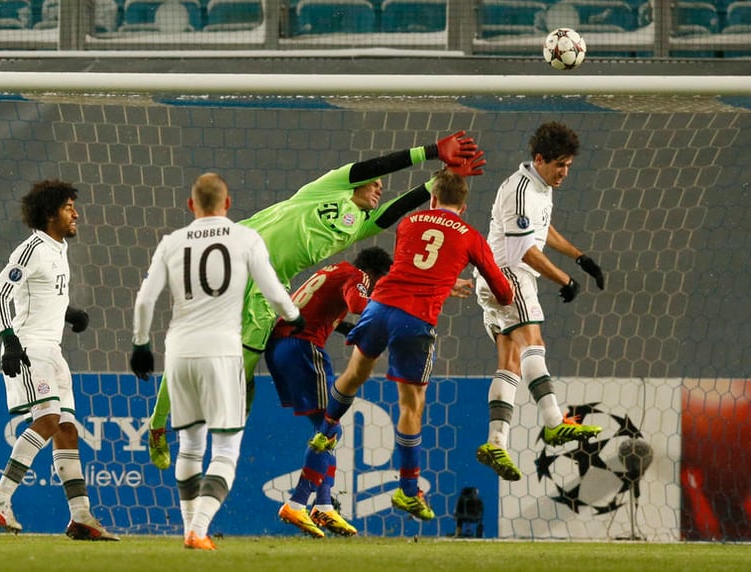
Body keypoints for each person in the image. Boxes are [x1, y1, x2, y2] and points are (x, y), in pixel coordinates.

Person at [145, 131, 487, 470]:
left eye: (381, 185)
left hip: (268, 289)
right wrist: (431, 151)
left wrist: (437, 185)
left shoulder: (358, 225)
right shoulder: (330, 188)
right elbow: (376, 164)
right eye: (374, 183)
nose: (379, 186)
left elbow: (393, 209)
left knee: (237, 375)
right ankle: (158, 426)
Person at [286, 168, 514, 523]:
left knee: (354, 373)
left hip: (380, 307)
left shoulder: (409, 222)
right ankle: (409, 490)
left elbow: (412, 265)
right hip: (416, 319)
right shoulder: (470, 235)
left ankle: (325, 431)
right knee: (411, 405)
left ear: (433, 198)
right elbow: (502, 292)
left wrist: (442, 279)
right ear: (464, 206)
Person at [128, 173, 304, 551]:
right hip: (223, 352)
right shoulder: (245, 238)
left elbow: (145, 300)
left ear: (191, 206)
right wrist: (293, 316)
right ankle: (200, 528)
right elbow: (273, 289)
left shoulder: (172, 243)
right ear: (228, 204)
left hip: (180, 351)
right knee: (225, 449)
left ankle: (189, 528)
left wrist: (141, 345)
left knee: (190, 447)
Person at [0, 179, 119, 541]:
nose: (76, 213)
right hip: (29, 349)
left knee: (67, 430)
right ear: (49, 214)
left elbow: (41, 296)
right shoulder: (31, 250)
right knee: (47, 419)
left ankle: (80, 517)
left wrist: (69, 312)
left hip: (53, 350)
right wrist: (9, 340)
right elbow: (0, 296)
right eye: (68, 207)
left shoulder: (59, 249)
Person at [474, 121, 606, 482]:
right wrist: (565, 279)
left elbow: (541, 228)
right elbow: (523, 249)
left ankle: (496, 442)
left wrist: (579, 257)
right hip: (509, 273)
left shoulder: (540, 186)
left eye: (568, 166)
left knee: (511, 361)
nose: (564, 173)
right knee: (535, 343)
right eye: (559, 165)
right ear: (539, 159)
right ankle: (553, 422)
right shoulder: (519, 189)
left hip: (497, 276)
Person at [268, 246, 393, 538]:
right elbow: (358, 304)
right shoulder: (358, 276)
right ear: (374, 275)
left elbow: (321, 309)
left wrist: (345, 328)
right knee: (330, 428)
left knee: (328, 429)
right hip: (302, 346)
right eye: (382, 282)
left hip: (281, 346)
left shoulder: (333, 271)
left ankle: (323, 504)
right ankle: (298, 502)